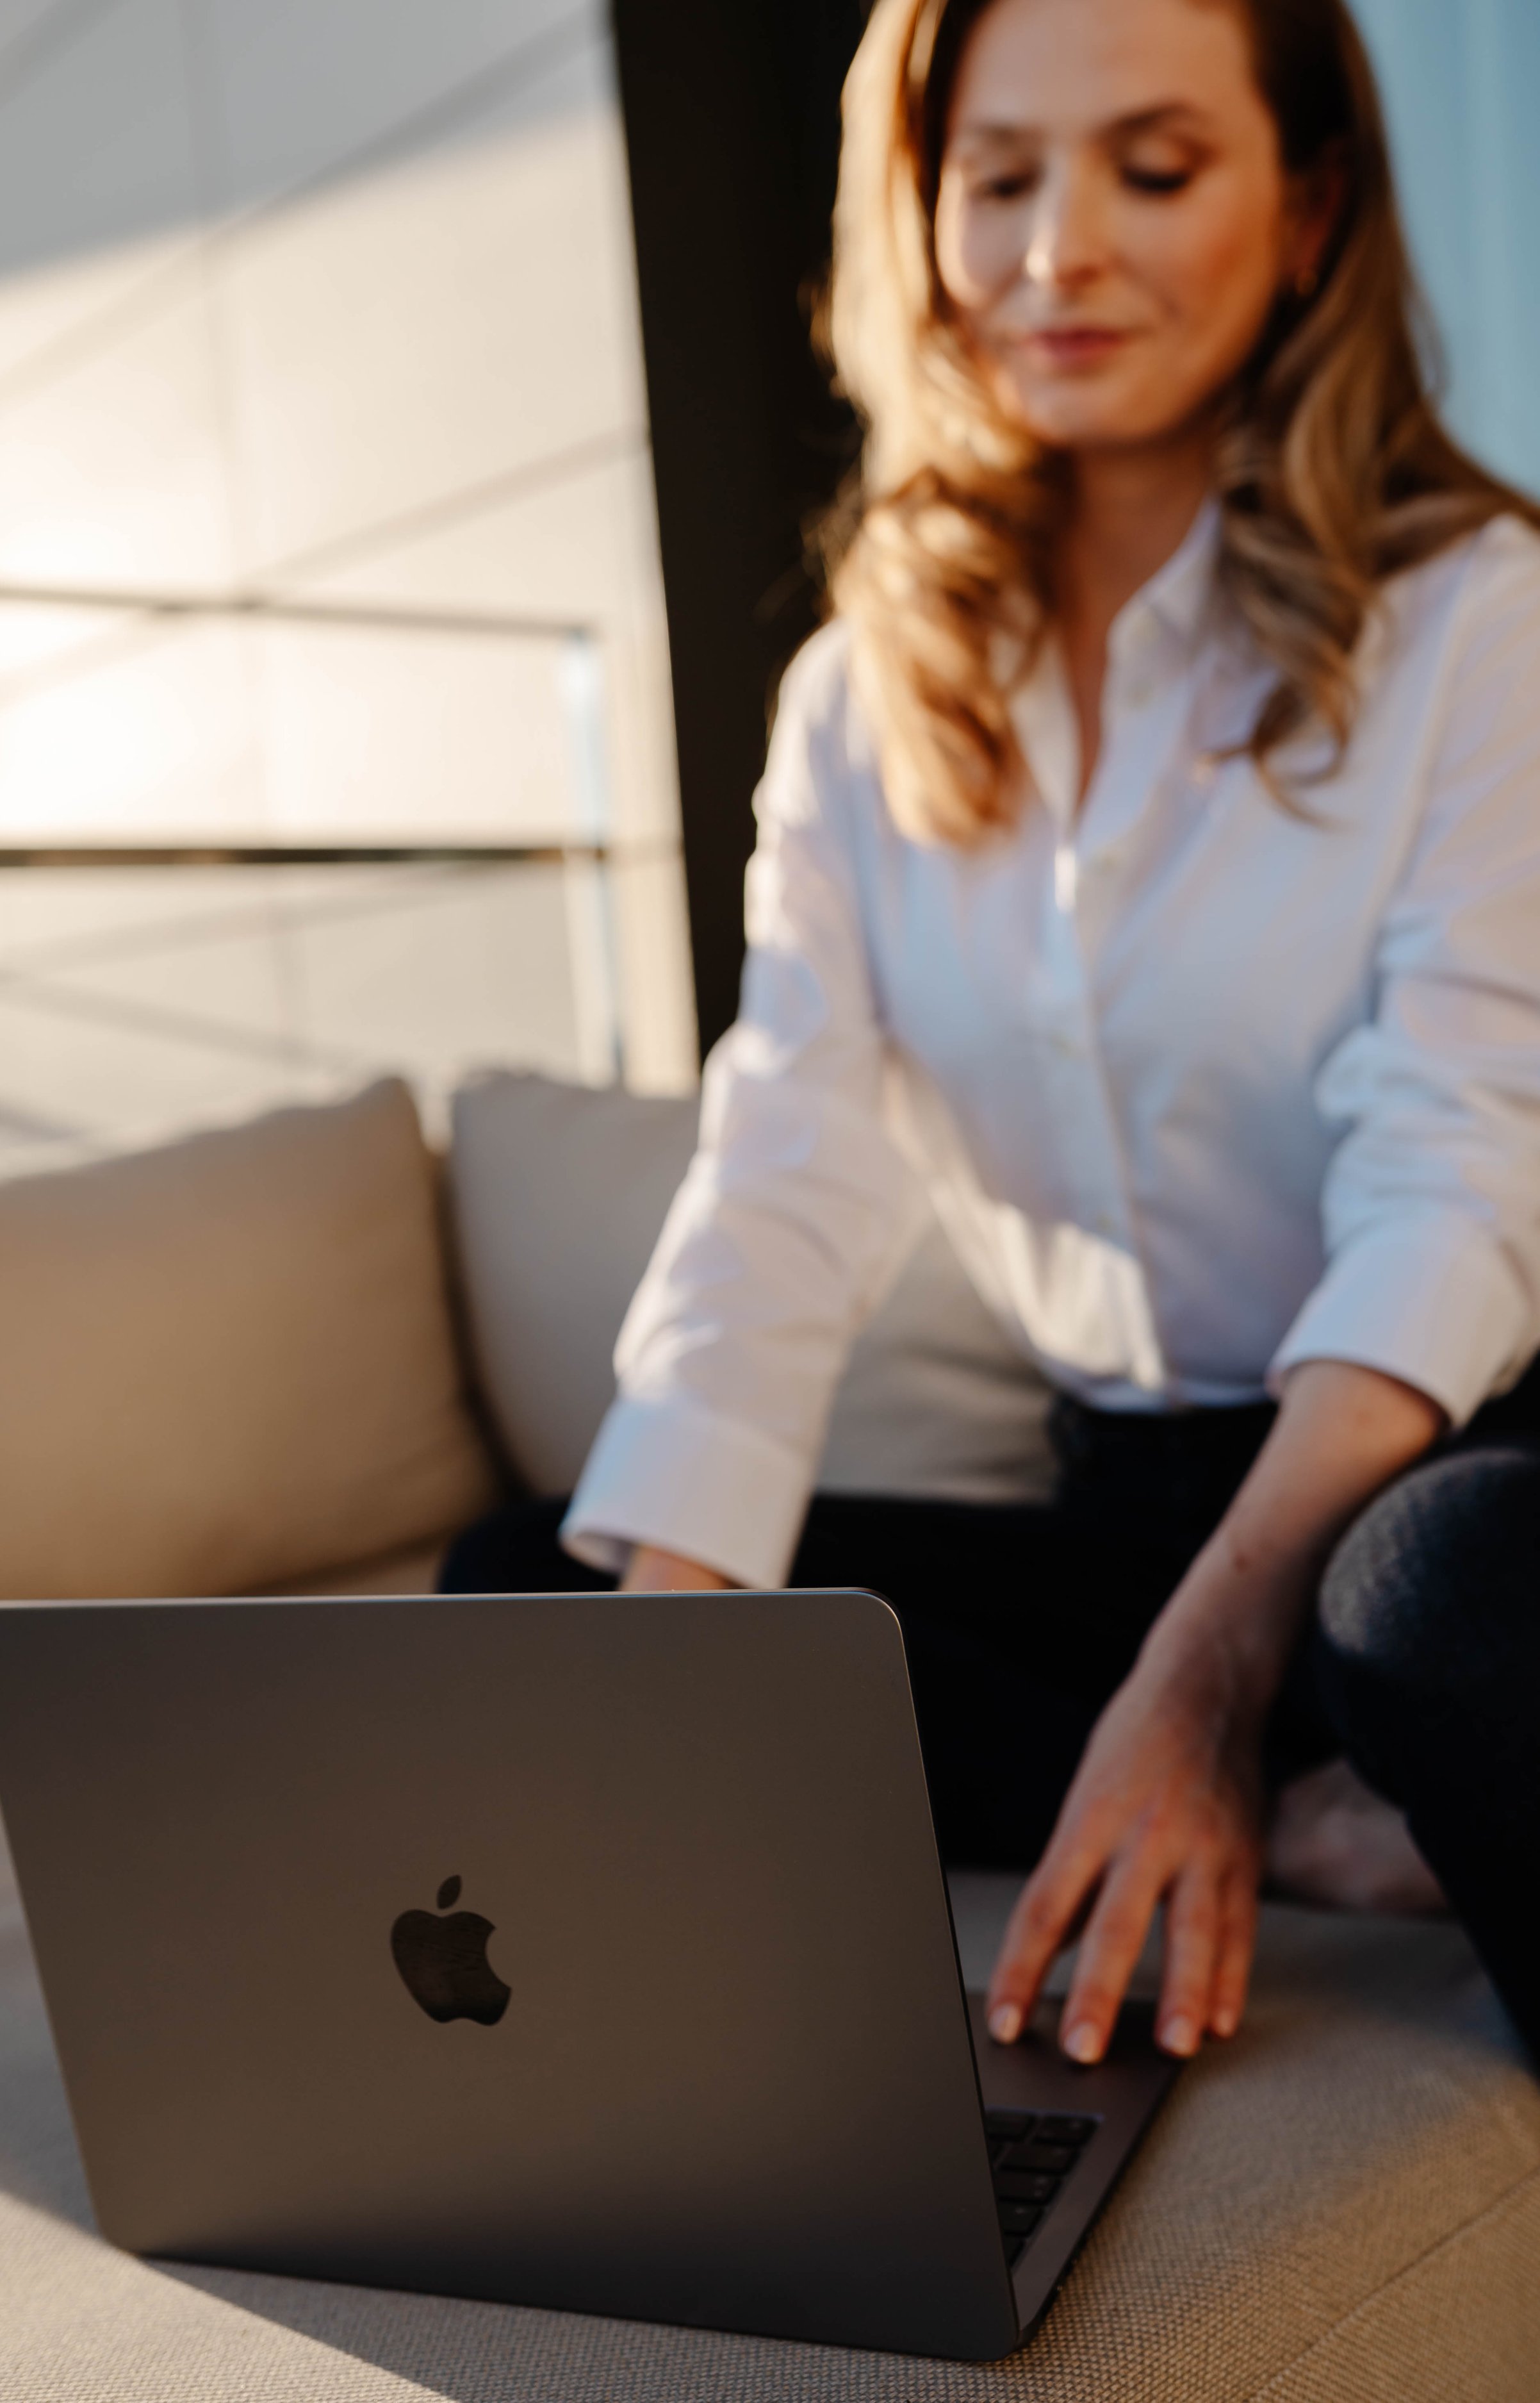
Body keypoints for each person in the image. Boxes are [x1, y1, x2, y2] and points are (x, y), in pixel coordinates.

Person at [443, 0, 1540, 2070]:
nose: (1054, 255)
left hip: (1436, 1466)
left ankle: (1330, 1760)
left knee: (1437, 1602)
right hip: (1126, 1500)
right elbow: (783, 1159)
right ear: (918, 211)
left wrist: (1201, 1686)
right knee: (540, 1584)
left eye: (1151, 166)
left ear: (1304, 211)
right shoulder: (862, 701)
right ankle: (1333, 1832)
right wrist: (659, 1659)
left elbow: (1460, 1175)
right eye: (998, 175)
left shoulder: (1481, 617)